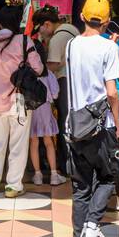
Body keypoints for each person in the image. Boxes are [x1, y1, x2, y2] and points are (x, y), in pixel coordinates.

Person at [64, 0, 119, 237]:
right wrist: (117, 120)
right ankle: (91, 225)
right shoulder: (110, 49)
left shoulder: (71, 45)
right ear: (108, 21)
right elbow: (112, 91)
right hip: (102, 126)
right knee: (108, 177)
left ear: (82, 17)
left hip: (76, 126)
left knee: (81, 187)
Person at [0, 6, 44, 198]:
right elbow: (38, 68)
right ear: (19, 23)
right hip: (19, 101)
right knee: (18, 144)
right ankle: (13, 186)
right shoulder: (24, 41)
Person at [28, 6, 67, 186]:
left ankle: (36, 174)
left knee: (33, 143)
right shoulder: (48, 74)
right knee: (49, 142)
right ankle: (53, 174)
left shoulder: (28, 75)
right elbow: (55, 93)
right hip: (45, 113)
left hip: (31, 113)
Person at [46, 12, 80, 167]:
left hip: (64, 82)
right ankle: (75, 161)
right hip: (76, 80)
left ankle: (66, 162)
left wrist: (39, 70)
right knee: (73, 120)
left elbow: (53, 64)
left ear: (47, 24)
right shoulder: (72, 30)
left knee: (63, 121)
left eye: (39, 29)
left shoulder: (56, 39)